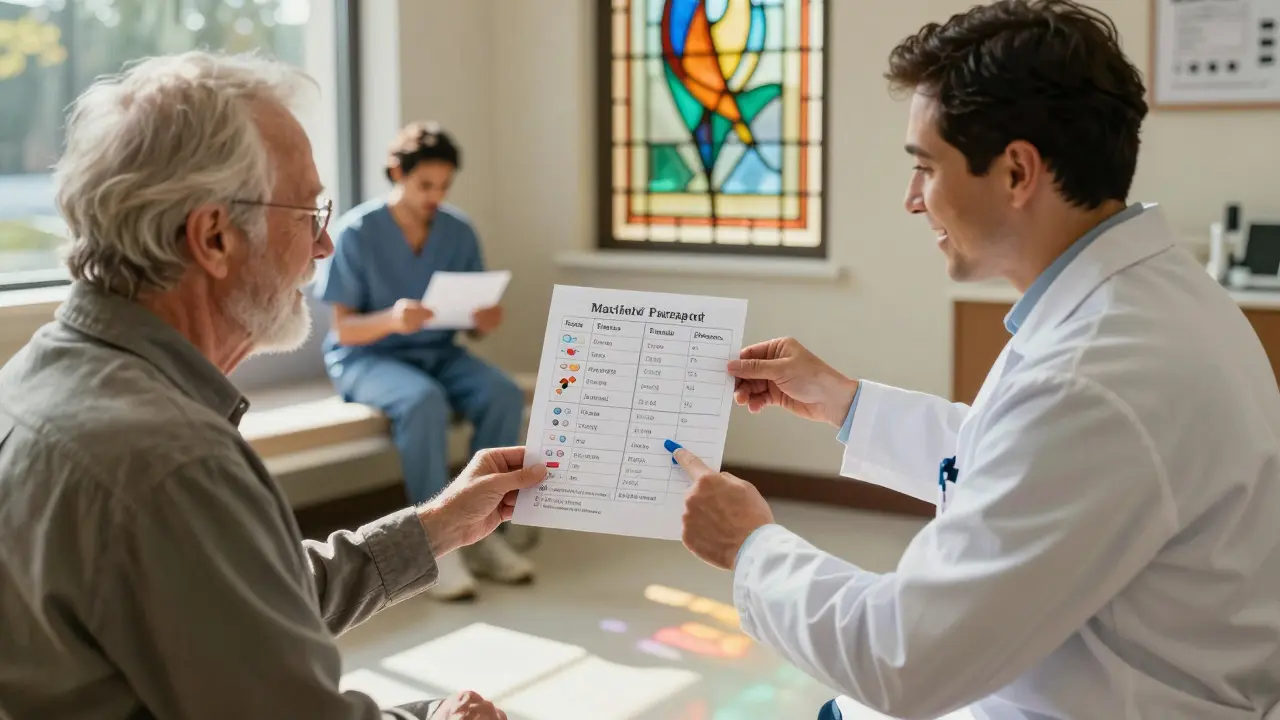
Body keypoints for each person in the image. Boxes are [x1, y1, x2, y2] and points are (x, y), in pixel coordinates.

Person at [671, 1, 1280, 718]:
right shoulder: (1143, 297)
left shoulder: (1094, 371)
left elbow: (903, 659)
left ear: (1018, 172)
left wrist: (751, 548)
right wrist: (844, 401)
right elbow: (1020, 464)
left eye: (925, 167)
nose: (911, 200)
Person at [0, 51, 537, 720]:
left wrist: (434, 528)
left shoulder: (31, 377)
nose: (324, 248)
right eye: (309, 212)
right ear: (215, 236)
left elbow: (234, 602)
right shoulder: (173, 463)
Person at [314, 122, 533, 601]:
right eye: (425, 185)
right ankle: (435, 546)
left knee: (501, 392)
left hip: (439, 352)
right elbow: (344, 329)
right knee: (421, 401)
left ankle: (487, 535)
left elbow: (469, 325)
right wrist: (393, 320)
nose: (436, 196)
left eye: (444, 186)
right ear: (398, 172)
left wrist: (484, 320)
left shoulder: (457, 230)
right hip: (367, 358)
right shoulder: (357, 232)